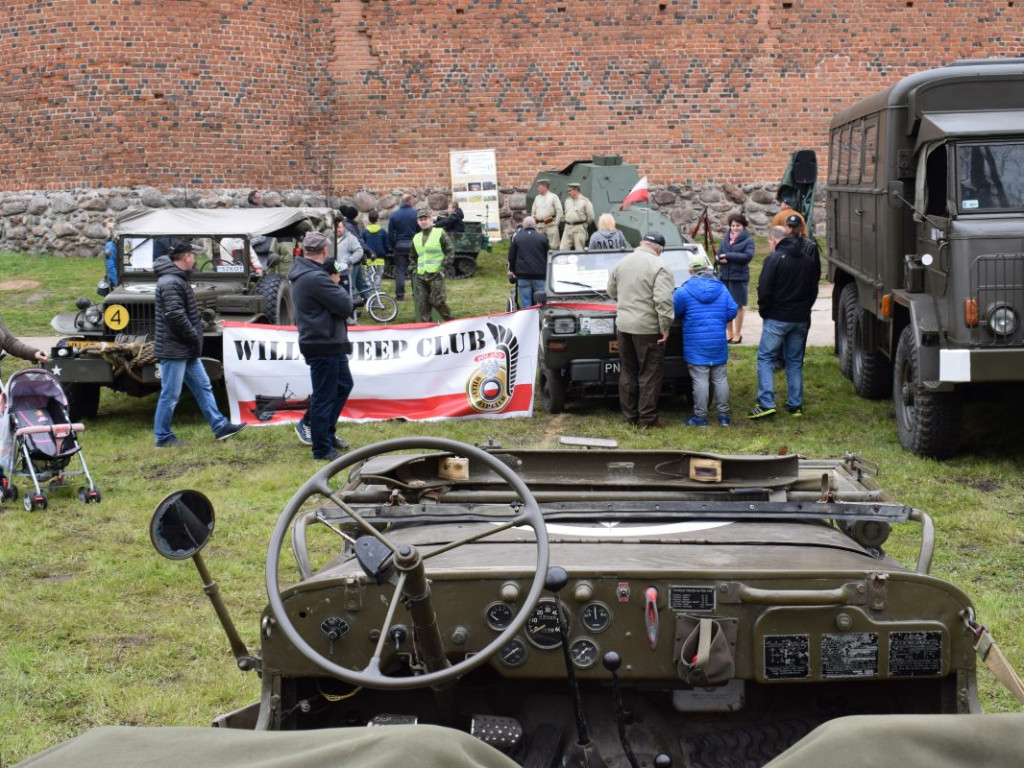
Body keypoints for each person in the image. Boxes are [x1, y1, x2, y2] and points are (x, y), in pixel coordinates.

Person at [153, 240, 245, 448]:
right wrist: (194, 335)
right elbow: (175, 315)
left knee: (203, 386)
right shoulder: (171, 282)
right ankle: (163, 436)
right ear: (186, 257)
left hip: (185, 348)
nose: (194, 258)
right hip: (176, 348)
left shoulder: (176, 279)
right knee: (170, 394)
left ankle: (220, 426)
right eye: (192, 255)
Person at [288, 231, 355, 461]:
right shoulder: (315, 278)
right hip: (323, 343)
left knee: (343, 385)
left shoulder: (306, 273)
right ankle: (322, 449)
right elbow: (345, 306)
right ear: (325, 250)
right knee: (324, 396)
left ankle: (326, 433)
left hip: (326, 341)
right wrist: (337, 283)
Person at [748, 226, 821, 419]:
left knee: (765, 358)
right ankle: (795, 404)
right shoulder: (807, 260)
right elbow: (813, 289)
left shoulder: (774, 259)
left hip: (777, 318)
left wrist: (765, 311)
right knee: (794, 362)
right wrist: (805, 309)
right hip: (800, 318)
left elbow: (764, 289)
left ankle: (766, 403)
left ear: (774, 240)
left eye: (768, 242)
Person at [606, 231, 675, 429]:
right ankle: (647, 419)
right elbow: (663, 300)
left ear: (641, 243)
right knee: (649, 373)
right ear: (659, 249)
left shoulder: (622, 262)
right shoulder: (659, 266)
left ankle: (629, 417)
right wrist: (665, 327)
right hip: (647, 328)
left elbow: (611, 291)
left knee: (627, 372)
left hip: (624, 326)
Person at [673, 256, 738, 427]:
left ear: (690, 271)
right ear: (707, 269)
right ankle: (723, 416)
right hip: (717, 340)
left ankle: (700, 417)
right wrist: (720, 319)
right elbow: (732, 310)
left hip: (695, 342)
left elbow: (674, 312)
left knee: (700, 379)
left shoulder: (683, 291)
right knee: (720, 378)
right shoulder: (721, 288)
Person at [716, 213, 755, 344]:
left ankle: (738, 334)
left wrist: (728, 256)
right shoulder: (725, 239)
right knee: (726, 306)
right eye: (733, 225)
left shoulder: (748, 240)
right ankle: (730, 333)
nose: (735, 228)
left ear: (743, 226)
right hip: (725, 277)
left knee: (737, 306)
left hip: (739, 278)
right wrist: (720, 260)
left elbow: (747, 257)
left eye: (738, 225)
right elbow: (718, 255)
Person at [410, 210, 455, 323]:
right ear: (418, 222)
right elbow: (412, 256)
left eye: (425, 219)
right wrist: (414, 269)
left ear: (431, 220)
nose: (423, 222)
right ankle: (427, 329)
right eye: (421, 219)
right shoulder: (416, 237)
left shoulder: (439, 233)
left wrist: (443, 269)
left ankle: (452, 323)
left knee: (438, 302)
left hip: (436, 274)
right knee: (423, 305)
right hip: (421, 276)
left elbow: (449, 251)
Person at [507, 215, 548, 307]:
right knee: (541, 303)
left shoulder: (517, 238)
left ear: (523, 225)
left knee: (526, 303)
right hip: (540, 275)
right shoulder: (542, 238)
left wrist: (512, 270)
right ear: (535, 225)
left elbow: (512, 257)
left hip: (523, 275)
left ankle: (527, 315)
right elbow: (547, 255)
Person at [387, 194, 419, 301]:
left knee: (400, 271)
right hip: (414, 245)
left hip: (399, 245)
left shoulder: (394, 215)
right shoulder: (416, 214)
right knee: (415, 270)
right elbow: (420, 231)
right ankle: (416, 294)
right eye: (413, 200)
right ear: (409, 201)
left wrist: (393, 245)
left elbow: (390, 234)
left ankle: (400, 295)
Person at [337, 206, 368, 303]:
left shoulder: (350, 226)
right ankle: (353, 304)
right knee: (352, 284)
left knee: (361, 282)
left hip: (355, 261)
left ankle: (370, 301)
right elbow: (359, 243)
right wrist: (368, 251)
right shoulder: (349, 227)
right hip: (352, 262)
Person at [361, 210, 390, 291]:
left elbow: (362, 245)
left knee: (369, 279)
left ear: (369, 219)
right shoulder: (383, 231)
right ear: (377, 219)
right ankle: (377, 295)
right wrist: (385, 252)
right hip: (380, 259)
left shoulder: (365, 232)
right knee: (378, 279)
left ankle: (370, 295)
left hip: (369, 259)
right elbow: (387, 245)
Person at [530, 178, 563, 250]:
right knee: (538, 245)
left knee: (554, 246)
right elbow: (533, 212)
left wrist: (556, 223)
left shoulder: (553, 197)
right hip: (539, 226)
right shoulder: (537, 198)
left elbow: (559, 211)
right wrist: (535, 223)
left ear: (544, 186)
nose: (537, 189)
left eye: (539, 187)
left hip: (551, 224)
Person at [560, 182, 594, 250]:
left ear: (576, 190)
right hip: (567, 228)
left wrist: (584, 225)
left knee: (579, 249)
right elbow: (566, 212)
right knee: (563, 249)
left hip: (579, 228)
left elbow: (590, 217)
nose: (569, 192)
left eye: (571, 190)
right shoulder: (567, 201)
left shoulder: (585, 201)